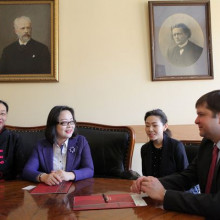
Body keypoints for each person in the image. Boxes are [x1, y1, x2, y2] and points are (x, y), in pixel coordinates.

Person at [130, 90, 220, 219]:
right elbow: (187, 176)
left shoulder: (177, 146)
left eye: (201, 114)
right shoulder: (208, 143)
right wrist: (153, 183)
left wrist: (165, 195)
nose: (196, 120)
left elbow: (217, 204)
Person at [22, 105, 94, 185]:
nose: (70, 126)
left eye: (71, 121)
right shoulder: (41, 145)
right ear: (53, 125)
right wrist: (44, 177)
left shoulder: (81, 141)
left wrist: (69, 175)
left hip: (74, 189)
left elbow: (89, 169)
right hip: (49, 191)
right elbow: (27, 171)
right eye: (64, 123)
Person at [141, 109, 188, 177]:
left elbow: (184, 175)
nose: (150, 129)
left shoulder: (176, 146)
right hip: (152, 187)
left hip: (173, 187)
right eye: (147, 126)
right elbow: (146, 174)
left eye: (155, 125)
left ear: (165, 126)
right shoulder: (144, 148)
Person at [0, 100, 23, 180]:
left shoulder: (15, 138)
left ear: (6, 116)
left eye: (2, 113)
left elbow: (20, 169)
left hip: (7, 183)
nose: (0, 117)